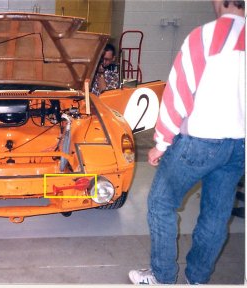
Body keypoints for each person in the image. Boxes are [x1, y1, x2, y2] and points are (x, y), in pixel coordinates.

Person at [128, 0, 245, 284]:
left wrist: (161, 143)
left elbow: (177, 95)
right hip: (238, 146)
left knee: (160, 203)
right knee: (216, 216)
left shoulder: (204, 37)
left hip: (200, 141)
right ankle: (197, 279)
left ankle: (163, 276)